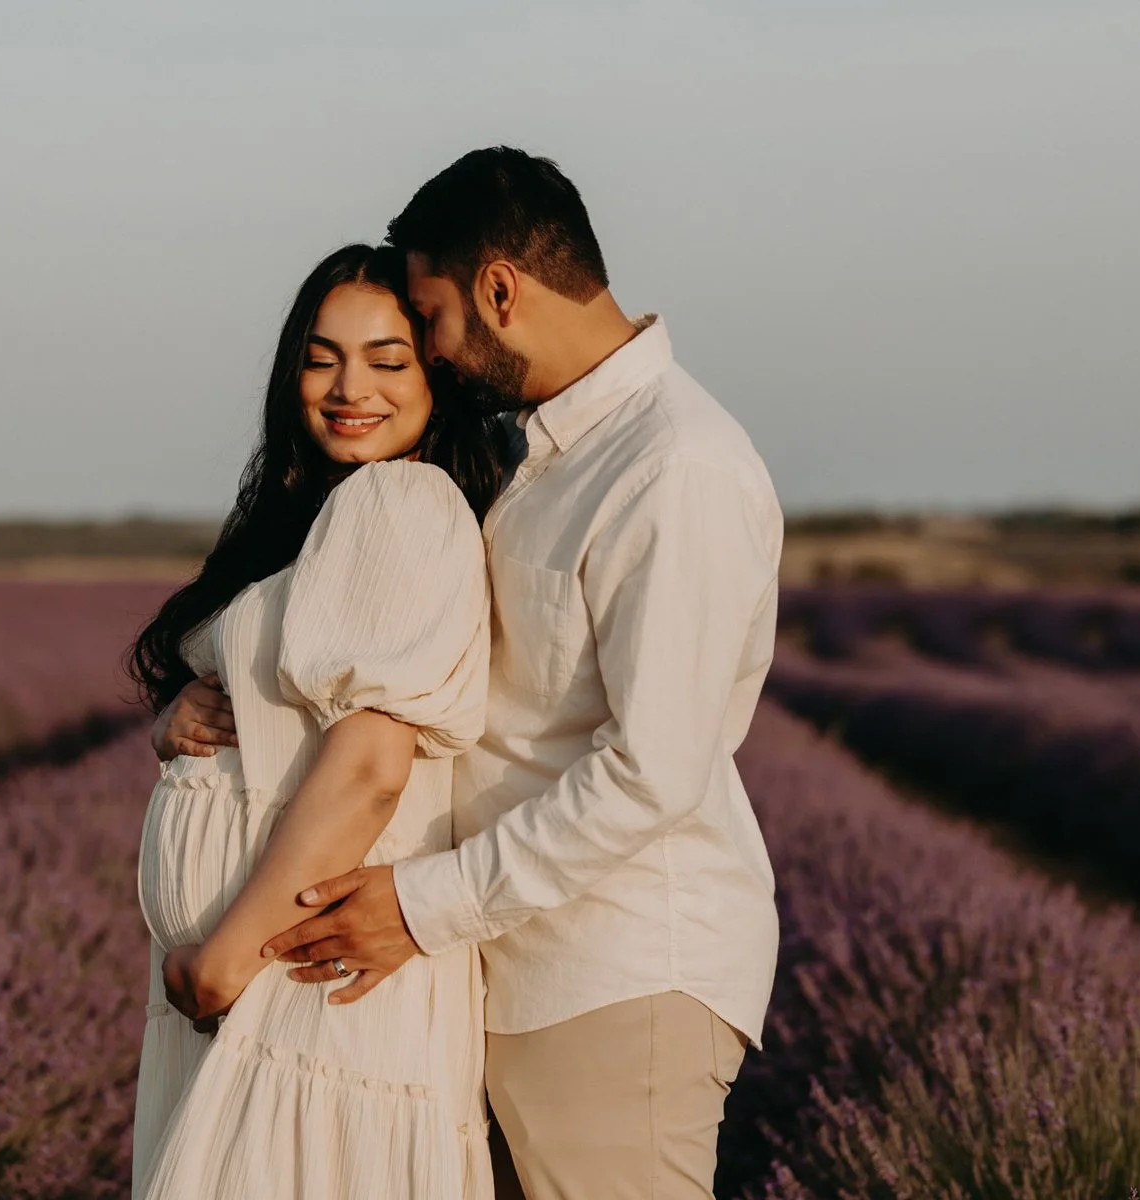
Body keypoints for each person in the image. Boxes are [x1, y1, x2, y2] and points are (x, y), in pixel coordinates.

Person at [165, 148, 785, 1198]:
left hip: (616, 967)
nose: (434, 352)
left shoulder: (673, 465)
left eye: (432, 317)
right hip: (516, 965)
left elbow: (651, 770)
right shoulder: (551, 457)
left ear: (501, 291)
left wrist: (420, 905)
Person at [126, 242, 511, 1199]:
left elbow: (372, 763)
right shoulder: (326, 514)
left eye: (388, 360)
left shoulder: (399, 499)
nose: (350, 387)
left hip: (306, 988)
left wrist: (226, 957)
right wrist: (183, 716)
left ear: (439, 379)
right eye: (321, 356)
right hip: (273, 996)